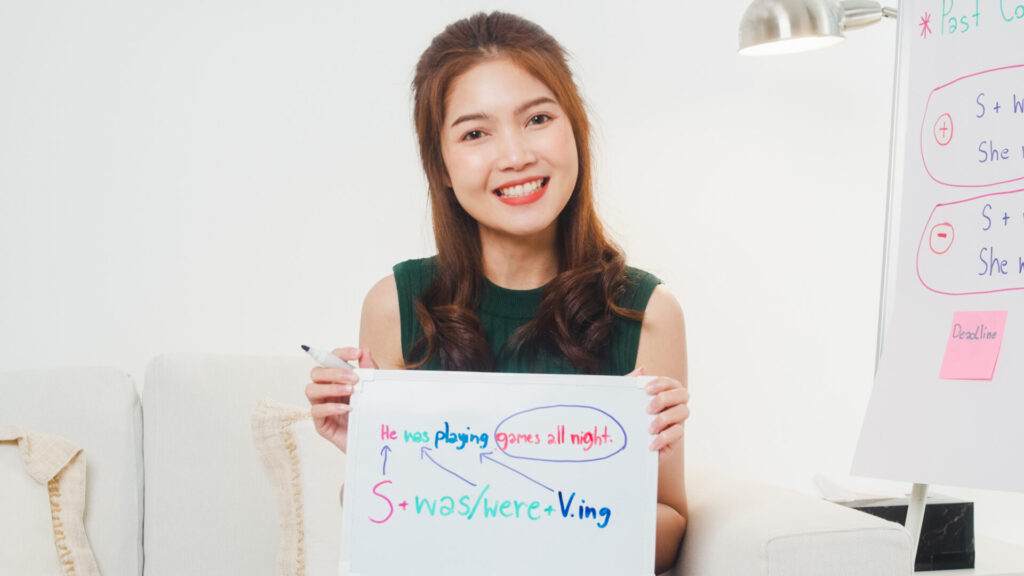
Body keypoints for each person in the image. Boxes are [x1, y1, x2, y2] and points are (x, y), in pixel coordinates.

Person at [305, 11, 689, 572]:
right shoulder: (395, 304)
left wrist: (618, 471)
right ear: (440, 164)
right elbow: (383, 532)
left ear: (574, 127)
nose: (515, 156)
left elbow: (671, 528)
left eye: (537, 118)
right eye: (475, 133)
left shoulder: (645, 313)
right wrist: (368, 453)